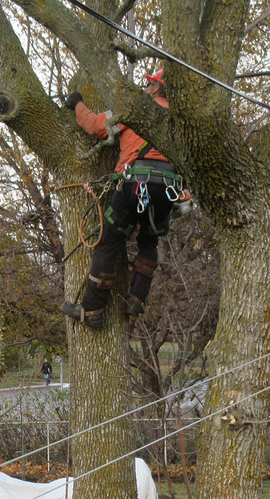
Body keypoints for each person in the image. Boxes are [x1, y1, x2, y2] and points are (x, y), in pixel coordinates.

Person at [61, 70, 182, 327]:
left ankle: (92, 311)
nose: (145, 86)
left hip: (134, 185)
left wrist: (77, 103)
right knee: (149, 241)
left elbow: (96, 126)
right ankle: (136, 300)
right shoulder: (181, 121)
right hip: (167, 190)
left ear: (155, 86)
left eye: (148, 83)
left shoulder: (135, 109)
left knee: (108, 242)